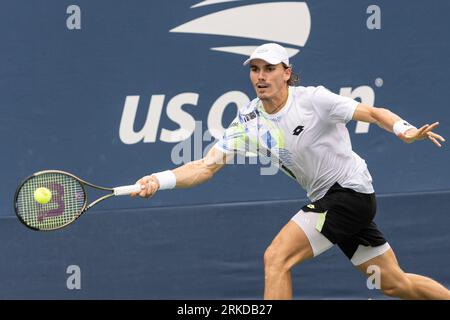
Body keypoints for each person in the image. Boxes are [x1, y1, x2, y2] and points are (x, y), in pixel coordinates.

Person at [131, 43, 449, 300]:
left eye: (269, 69)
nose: (261, 76)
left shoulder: (313, 100)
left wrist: (404, 130)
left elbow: (371, 112)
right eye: (255, 69)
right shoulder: (248, 121)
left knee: (276, 258)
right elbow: (204, 167)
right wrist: (159, 180)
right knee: (393, 284)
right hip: (333, 202)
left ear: (287, 74)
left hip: (349, 193)